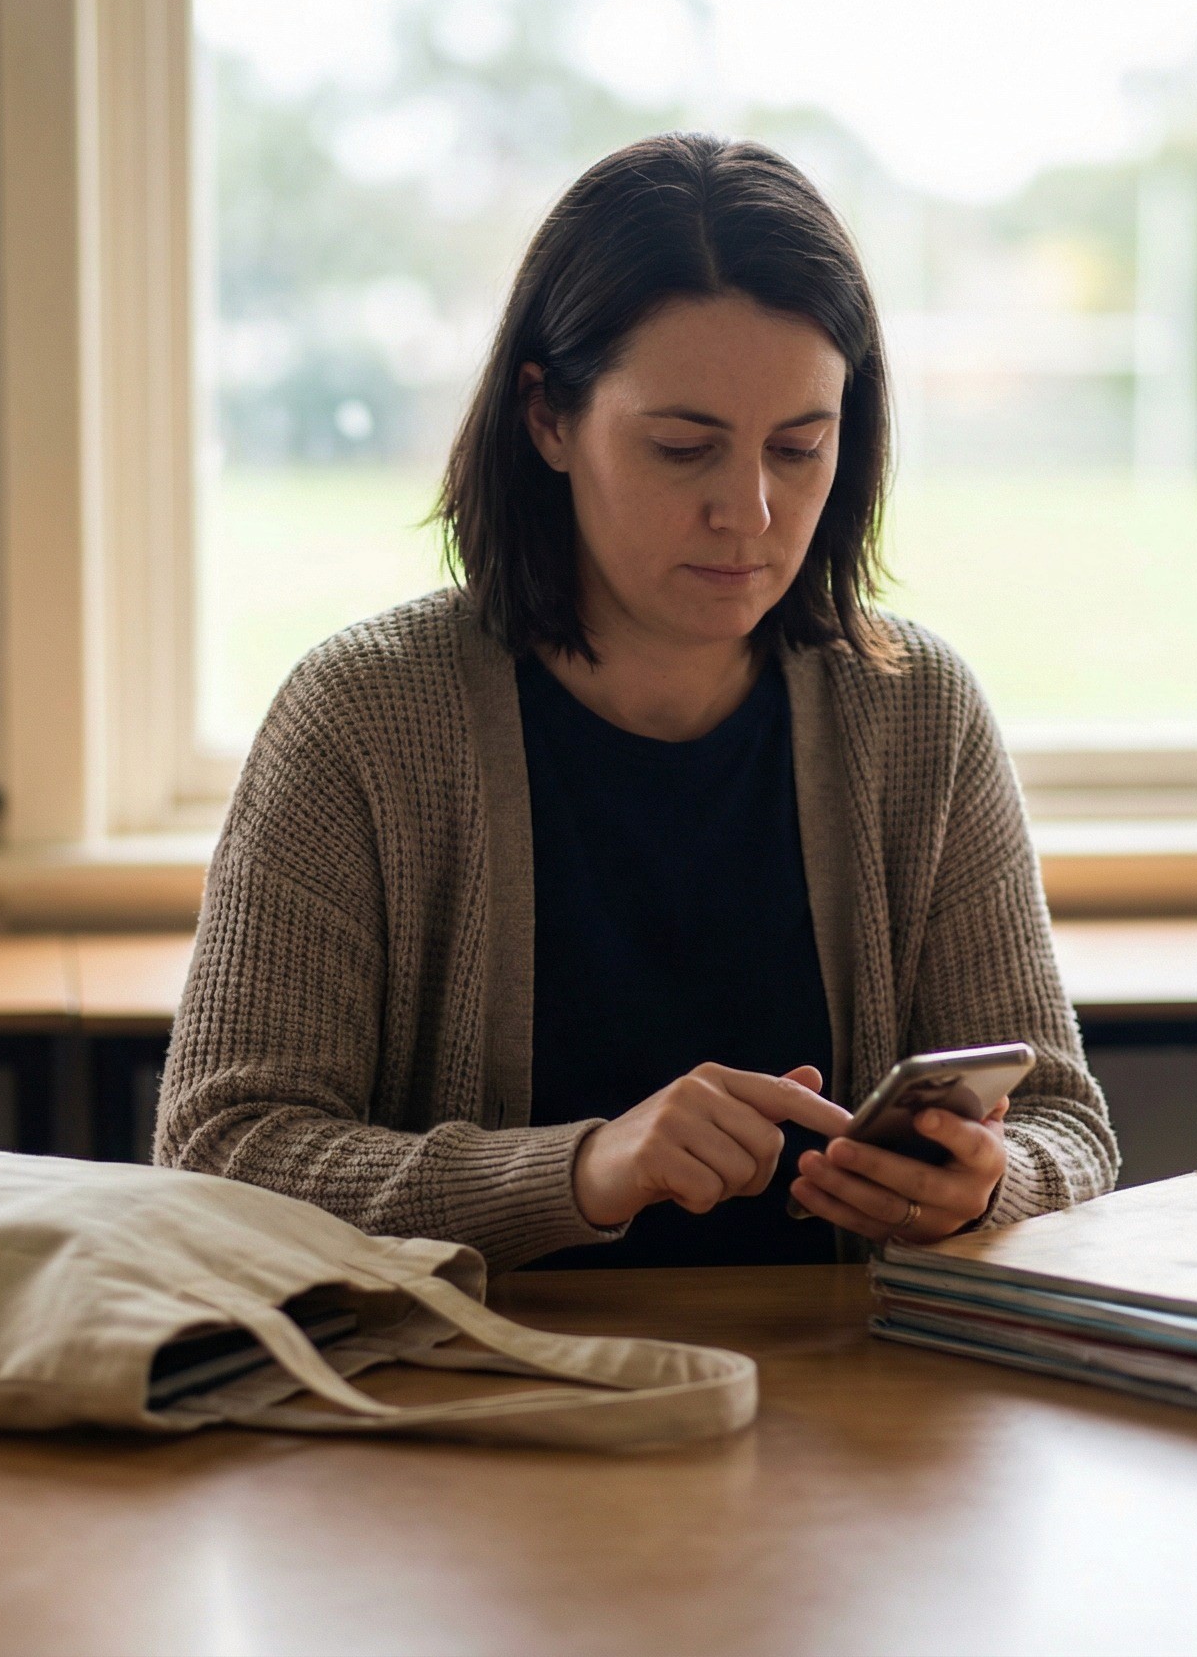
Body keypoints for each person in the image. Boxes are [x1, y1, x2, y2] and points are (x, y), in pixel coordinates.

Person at [154, 132, 1116, 1271]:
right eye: (682, 448)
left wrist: (984, 1183)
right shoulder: (364, 716)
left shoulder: (917, 715)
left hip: (854, 1409)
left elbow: (1070, 1129)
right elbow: (219, 1157)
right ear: (547, 418)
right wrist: (587, 1170)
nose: (749, 512)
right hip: (470, 1408)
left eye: (800, 448)